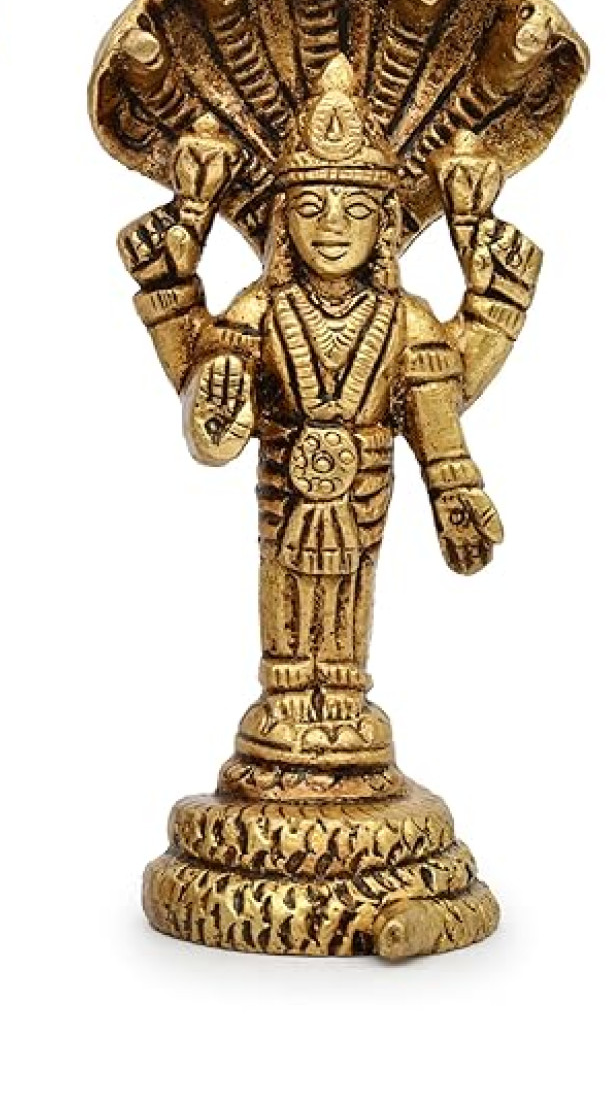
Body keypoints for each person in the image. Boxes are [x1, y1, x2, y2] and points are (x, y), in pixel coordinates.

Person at [120, 56, 524, 768]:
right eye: (310, 208)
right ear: (284, 219)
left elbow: (438, 416)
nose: (332, 226)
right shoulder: (259, 309)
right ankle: (283, 694)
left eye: (356, 210)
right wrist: (180, 301)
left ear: (384, 224)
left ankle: (343, 692)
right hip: (285, 485)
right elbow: (212, 423)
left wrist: (456, 492)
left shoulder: (408, 321)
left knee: (351, 587)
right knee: (285, 577)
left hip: (364, 487)